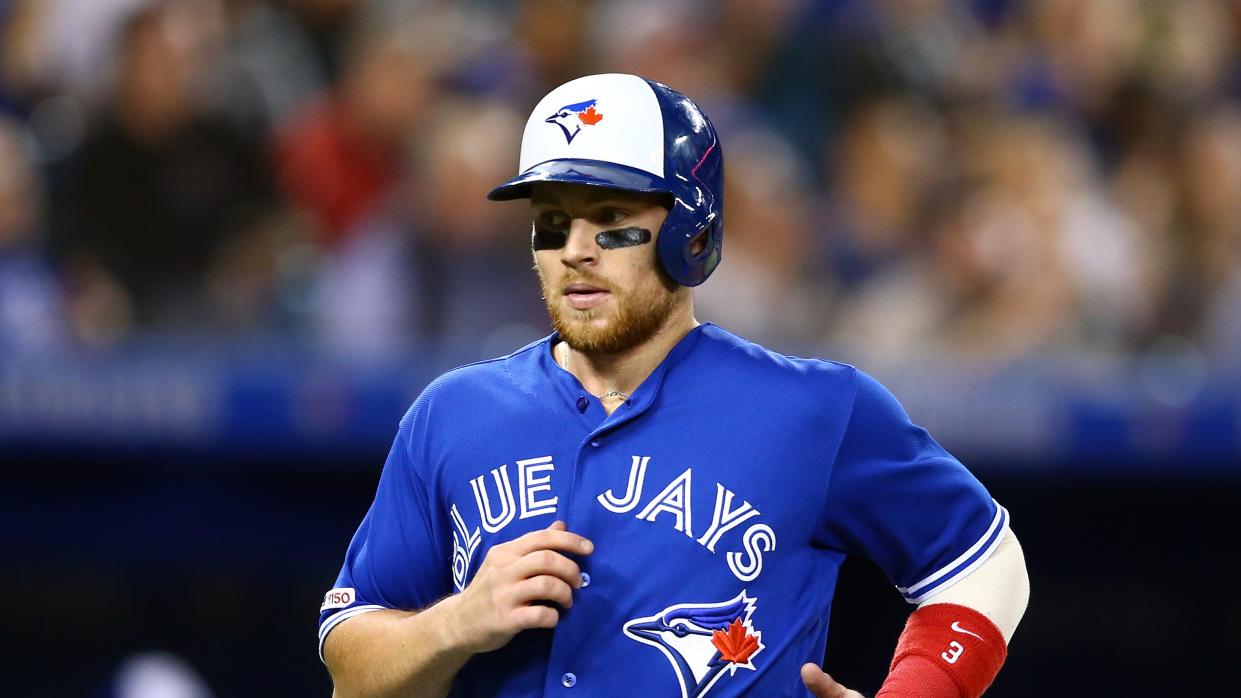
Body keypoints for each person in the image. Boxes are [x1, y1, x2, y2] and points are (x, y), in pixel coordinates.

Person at [318, 73, 1029, 697]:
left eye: (610, 221)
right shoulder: (453, 413)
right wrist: (456, 622)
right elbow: (354, 671)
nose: (574, 251)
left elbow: (984, 564)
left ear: (689, 232)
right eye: (552, 222)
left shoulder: (813, 411)